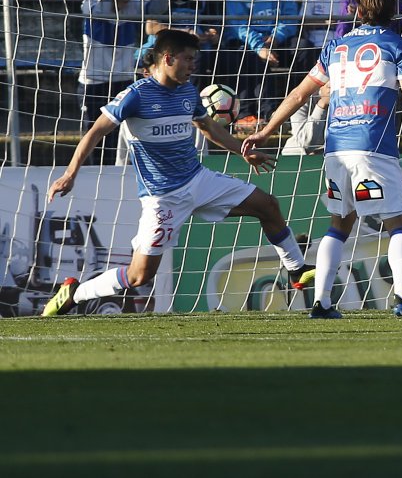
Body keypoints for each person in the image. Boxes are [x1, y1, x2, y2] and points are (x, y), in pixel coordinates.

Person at [42, 30, 313, 317]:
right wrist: (69, 174)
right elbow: (94, 133)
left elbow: (207, 127)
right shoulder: (135, 96)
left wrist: (241, 151)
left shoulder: (187, 91)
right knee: (139, 276)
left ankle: (297, 268)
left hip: (199, 180)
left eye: (194, 60)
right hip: (163, 198)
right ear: (168, 58)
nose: (193, 65)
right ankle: (75, 293)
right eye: (188, 59)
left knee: (267, 205)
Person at [242, 0, 402, 319]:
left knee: (339, 225)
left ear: (356, 9)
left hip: (337, 149)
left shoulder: (336, 47)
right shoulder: (397, 45)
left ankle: (322, 303)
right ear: (394, 12)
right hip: (373, 147)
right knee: (398, 222)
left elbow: (299, 95)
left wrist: (266, 131)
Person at [222, 0, 302, 127]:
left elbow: (290, 17)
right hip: (248, 41)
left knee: (304, 49)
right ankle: (255, 114)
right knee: (248, 56)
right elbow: (238, 25)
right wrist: (259, 46)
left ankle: (299, 109)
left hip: (276, 37)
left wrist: (275, 37)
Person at [282, 0, 351, 156]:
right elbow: (302, 24)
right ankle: (309, 90)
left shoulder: (349, 1)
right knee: (302, 47)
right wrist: (329, 22)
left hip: (339, 49)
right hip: (315, 47)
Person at [78, 0, 143, 165]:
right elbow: (103, 6)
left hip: (122, 81)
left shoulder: (133, 7)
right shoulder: (91, 5)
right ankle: (94, 173)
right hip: (93, 82)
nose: (123, 3)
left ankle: (117, 175)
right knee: (94, 134)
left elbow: (159, 7)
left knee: (121, 134)